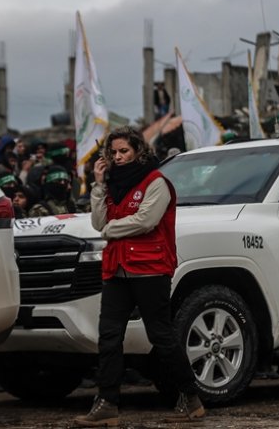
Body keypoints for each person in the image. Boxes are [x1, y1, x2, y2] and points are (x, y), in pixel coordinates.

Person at [73, 127, 204, 427]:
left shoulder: (156, 182)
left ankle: (191, 395)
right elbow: (98, 221)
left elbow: (145, 221)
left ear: (138, 151)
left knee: (160, 335)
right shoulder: (112, 184)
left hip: (150, 269)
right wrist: (98, 184)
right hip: (117, 268)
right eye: (114, 152)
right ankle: (107, 403)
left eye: (124, 151)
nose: (118, 157)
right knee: (108, 336)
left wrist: (109, 231)